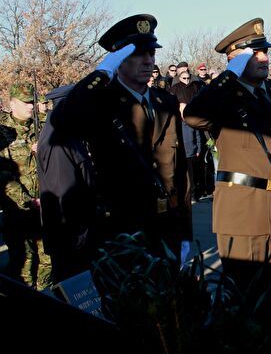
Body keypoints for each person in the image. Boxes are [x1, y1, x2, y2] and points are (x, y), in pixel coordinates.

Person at [184, 17, 271, 335]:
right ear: (235, 60)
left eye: (265, 51)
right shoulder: (223, 95)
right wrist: (227, 78)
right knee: (243, 301)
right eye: (254, 53)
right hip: (242, 208)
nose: (264, 58)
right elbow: (194, 116)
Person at [50, 14, 192, 263]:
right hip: (123, 228)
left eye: (151, 53)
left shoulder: (164, 101)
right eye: (138, 54)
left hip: (166, 223)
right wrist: (102, 73)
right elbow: (63, 120)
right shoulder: (102, 101)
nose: (148, 60)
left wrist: (185, 231)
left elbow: (179, 171)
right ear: (119, 58)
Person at [37, 84, 96, 283]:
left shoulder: (66, 133)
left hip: (74, 235)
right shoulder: (59, 142)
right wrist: (80, 236)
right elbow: (65, 196)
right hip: (71, 239)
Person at [0, 82, 50, 289]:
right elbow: (2, 174)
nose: (31, 106)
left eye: (34, 102)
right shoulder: (3, 132)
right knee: (24, 266)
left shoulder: (44, 126)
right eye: (27, 102)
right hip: (19, 210)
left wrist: (47, 149)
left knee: (48, 262)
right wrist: (27, 201)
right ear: (12, 103)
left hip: (46, 205)